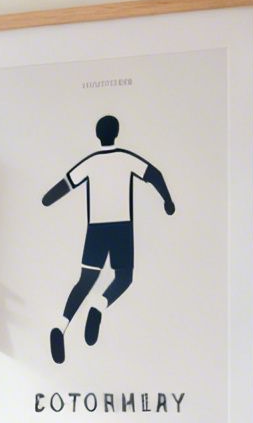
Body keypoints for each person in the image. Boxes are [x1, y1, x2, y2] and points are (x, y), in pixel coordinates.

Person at [39, 114, 175, 364]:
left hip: (96, 230)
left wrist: (47, 199)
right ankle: (98, 307)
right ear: (117, 132)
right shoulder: (126, 158)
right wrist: (167, 200)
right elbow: (154, 174)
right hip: (121, 228)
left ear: (97, 135)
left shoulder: (91, 162)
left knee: (85, 281)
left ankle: (61, 325)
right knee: (123, 277)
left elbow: (67, 183)